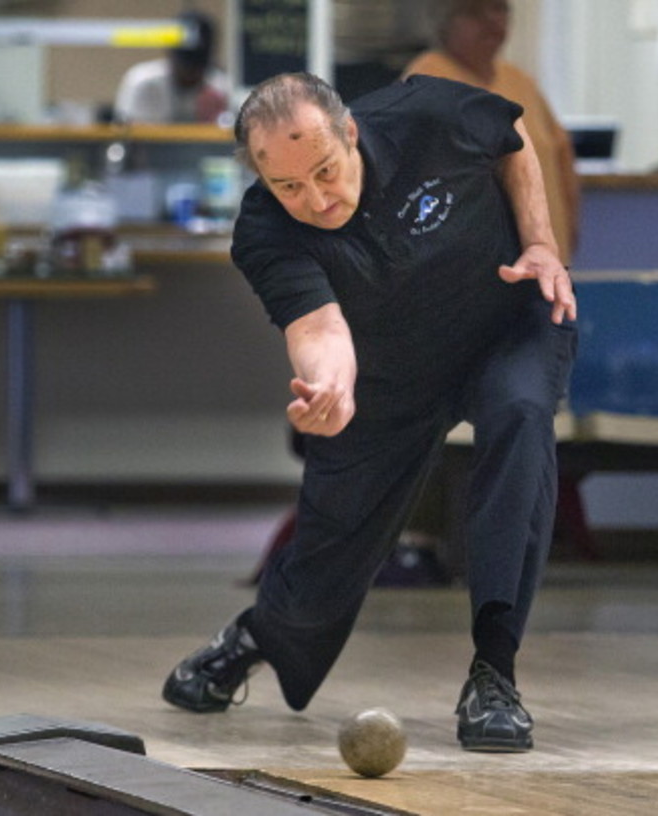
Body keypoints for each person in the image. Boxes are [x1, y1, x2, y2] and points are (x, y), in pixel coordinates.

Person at [161, 71, 577, 753]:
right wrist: (333, 388)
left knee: (522, 416)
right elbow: (318, 327)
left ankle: (493, 674)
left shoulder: (427, 111)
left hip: (506, 325)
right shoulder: (266, 231)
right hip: (387, 372)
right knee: (334, 536)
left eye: (325, 170)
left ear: (350, 130)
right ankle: (258, 635)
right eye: (289, 187)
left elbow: (513, 134)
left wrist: (540, 241)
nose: (317, 199)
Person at [403, 0, 579, 262]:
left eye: (500, 9)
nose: (492, 22)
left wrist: (567, 235)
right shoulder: (425, 80)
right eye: (474, 12)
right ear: (444, 22)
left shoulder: (520, 81)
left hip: (543, 265)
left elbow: (562, 157)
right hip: (473, 270)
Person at [114, 11, 230, 124]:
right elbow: (128, 134)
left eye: (196, 66)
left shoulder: (221, 88)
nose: (189, 72)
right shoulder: (142, 83)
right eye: (185, 64)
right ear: (170, 54)